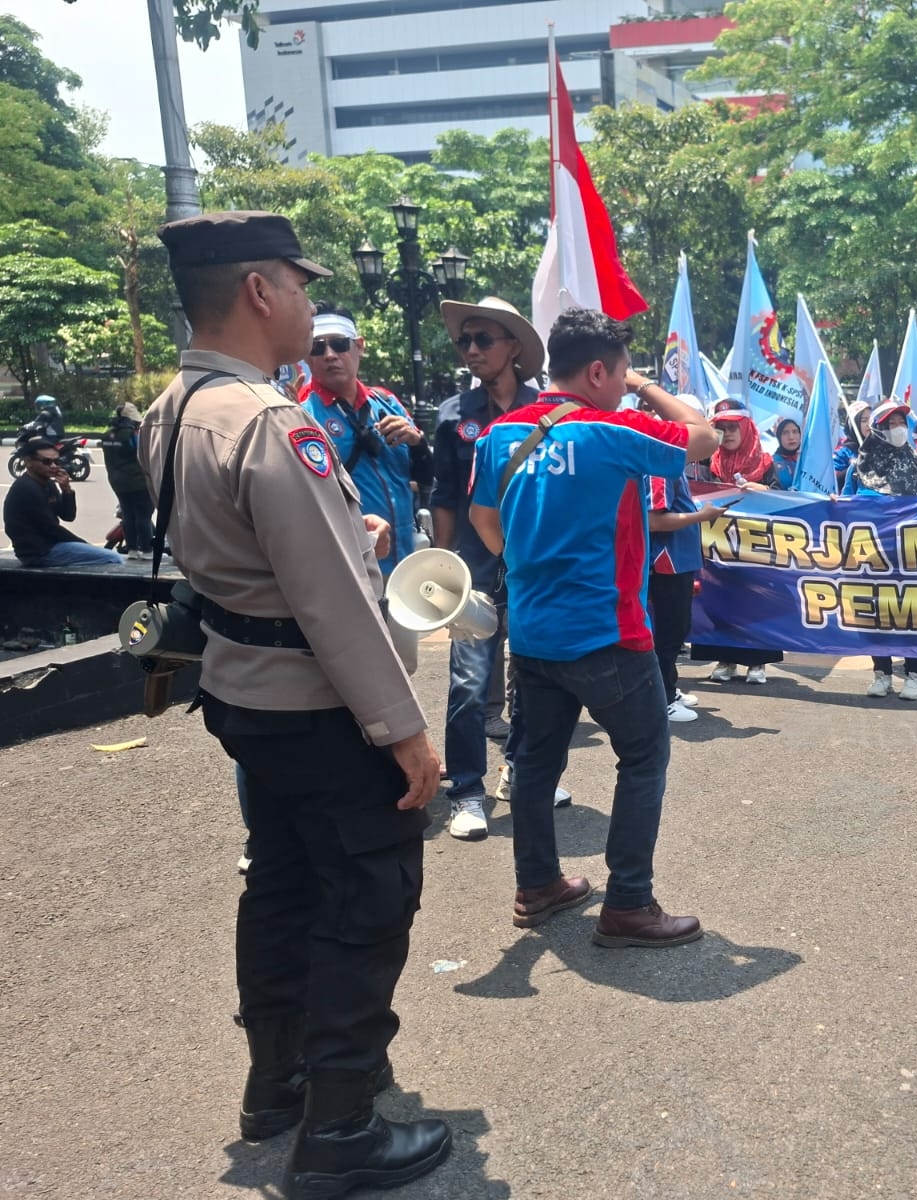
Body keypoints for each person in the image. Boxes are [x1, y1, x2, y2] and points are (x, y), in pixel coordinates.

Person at [140, 211, 449, 1194]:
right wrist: (404, 734)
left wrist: (340, 533)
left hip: (242, 695)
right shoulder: (272, 422)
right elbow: (335, 608)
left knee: (278, 886)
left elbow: (241, 559)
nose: (312, 306)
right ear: (260, 292)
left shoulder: (173, 409)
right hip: (318, 708)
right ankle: (343, 1126)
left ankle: (278, 1083)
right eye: (300, 285)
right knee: (366, 897)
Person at [467, 308, 719, 946]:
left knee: (535, 763)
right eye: (624, 371)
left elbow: (481, 518)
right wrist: (647, 391)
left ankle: (538, 885)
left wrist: (527, 568)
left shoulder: (497, 435)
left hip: (531, 631)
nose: (627, 381)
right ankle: (629, 902)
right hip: (608, 631)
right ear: (601, 370)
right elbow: (706, 437)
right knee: (643, 756)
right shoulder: (611, 429)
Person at [432, 296, 566, 840]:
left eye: (482, 339)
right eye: (464, 341)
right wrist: (439, 570)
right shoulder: (451, 416)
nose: (471, 350)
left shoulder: (556, 412)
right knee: (468, 683)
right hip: (474, 571)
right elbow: (444, 498)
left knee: (536, 680)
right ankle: (467, 790)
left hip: (537, 570)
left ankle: (523, 772)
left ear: (513, 347)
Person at [298, 303, 431, 576]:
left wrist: (417, 443)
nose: (330, 355)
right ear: (307, 357)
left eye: (339, 344)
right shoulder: (301, 412)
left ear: (359, 346)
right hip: (350, 569)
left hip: (405, 561)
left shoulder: (387, 402)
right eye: (317, 348)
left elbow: (426, 478)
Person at [844, 399, 917, 701]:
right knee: (875, 614)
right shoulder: (858, 468)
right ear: (877, 429)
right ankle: (882, 673)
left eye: (902, 422)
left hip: (910, 555)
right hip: (872, 557)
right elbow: (845, 505)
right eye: (891, 424)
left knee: (911, 615)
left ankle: (914, 674)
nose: (898, 428)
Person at [693, 398, 785, 683]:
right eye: (722, 427)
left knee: (755, 601)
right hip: (718, 549)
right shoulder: (708, 465)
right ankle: (725, 659)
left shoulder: (767, 464)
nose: (729, 433)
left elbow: (787, 504)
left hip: (755, 549)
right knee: (720, 599)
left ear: (747, 428)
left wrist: (763, 491)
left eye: (734, 427)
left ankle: (757, 663)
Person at [649, 430, 729, 724]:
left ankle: (668, 687)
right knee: (669, 632)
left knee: (676, 629)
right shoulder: (661, 466)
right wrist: (701, 516)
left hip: (679, 559)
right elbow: (653, 520)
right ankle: (663, 698)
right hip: (666, 561)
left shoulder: (673, 465)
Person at [4, 438, 123, 567]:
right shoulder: (26, 488)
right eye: (46, 462)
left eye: (57, 461)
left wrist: (66, 490)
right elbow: (51, 529)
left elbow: (68, 516)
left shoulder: (47, 483)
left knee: (106, 557)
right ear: (28, 462)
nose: (54, 466)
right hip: (39, 552)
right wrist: (85, 545)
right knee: (113, 558)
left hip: (52, 545)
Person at [102, 403, 155, 559]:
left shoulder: (107, 435)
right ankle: (146, 550)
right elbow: (146, 455)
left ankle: (132, 549)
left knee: (128, 515)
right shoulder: (133, 435)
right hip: (138, 482)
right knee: (143, 516)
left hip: (117, 483)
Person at [833, 397, 871, 487]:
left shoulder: (880, 448)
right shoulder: (843, 452)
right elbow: (833, 480)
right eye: (864, 420)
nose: (869, 424)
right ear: (853, 425)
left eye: (871, 419)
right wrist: (856, 467)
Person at [770, 414, 802, 490]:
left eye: (795, 431)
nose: (791, 437)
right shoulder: (771, 463)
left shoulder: (808, 459)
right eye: (785, 433)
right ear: (779, 437)